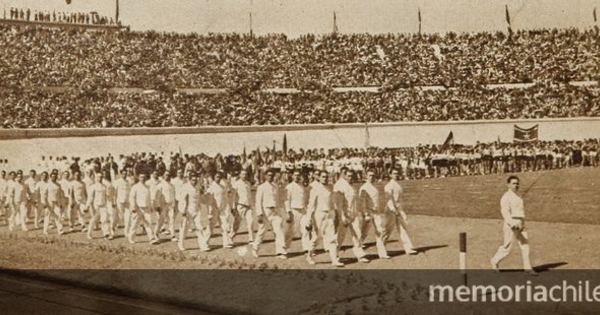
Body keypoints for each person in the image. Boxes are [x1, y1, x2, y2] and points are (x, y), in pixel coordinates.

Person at [491, 175, 537, 276]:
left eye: (517, 183)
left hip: (521, 222)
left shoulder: (518, 196)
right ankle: (494, 261)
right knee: (507, 247)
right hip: (511, 224)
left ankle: (528, 268)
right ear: (508, 185)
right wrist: (512, 223)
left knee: (525, 245)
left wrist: (521, 223)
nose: (516, 185)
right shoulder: (505, 197)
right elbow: (505, 212)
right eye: (513, 183)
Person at [307, 170, 344, 267]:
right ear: (319, 178)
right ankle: (309, 256)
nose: (325, 178)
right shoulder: (315, 189)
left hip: (329, 214)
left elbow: (333, 203)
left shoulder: (330, 188)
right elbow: (311, 205)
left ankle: (334, 260)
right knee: (316, 238)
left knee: (331, 238)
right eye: (323, 177)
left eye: (326, 177)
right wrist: (308, 219)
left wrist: (335, 213)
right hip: (319, 214)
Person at [334, 167, 370, 263]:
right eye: (348, 176)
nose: (350, 178)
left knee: (358, 234)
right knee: (340, 236)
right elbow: (338, 203)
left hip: (354, 214)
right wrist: (342, 216)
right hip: (345, 215)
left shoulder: (352, 187)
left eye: (352, 176)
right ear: (345, 176)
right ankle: (335, 255)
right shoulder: (340, 186)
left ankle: (360, 254)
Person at [178, 172, 217, 252]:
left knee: (199, 228)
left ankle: (203, 246)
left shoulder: (198, 187)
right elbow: (182, 200)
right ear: (189, 179)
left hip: (197, 210)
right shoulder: (185, 187)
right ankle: (180, 243)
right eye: (193, 180)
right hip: (188, 210)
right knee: (184, 228)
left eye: (195, 180)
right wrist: (183, 210)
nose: (194, 181)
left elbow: (201, 198)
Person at [252, 169, 287, 259]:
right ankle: (255, 249)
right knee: (262, 231)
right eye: (269, 175)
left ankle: (280, 251)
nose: (270, 177)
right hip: (266, 211)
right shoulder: (261, 187)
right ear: (265, 176)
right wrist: (259, 214)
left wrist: (280, 210)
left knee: (279, 231)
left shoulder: (275, 186)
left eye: (272, 175)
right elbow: (258, 201)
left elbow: (278, 200)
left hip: (275, 211)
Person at [285, 169, 317, 265]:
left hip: (303, 211)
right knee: (292, 231)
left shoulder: (302, 186)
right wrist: (288, 212)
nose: (297, 177)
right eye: (295, 175)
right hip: (294, 211)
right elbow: (287, 200)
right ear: (292, 176)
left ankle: (306, 249)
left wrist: (307, 211)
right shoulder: (289, 187)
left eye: (298, 175)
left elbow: (305, 200)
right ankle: (284, 249)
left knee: (306, 230)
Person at [384, 168, 418, 255]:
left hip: (398, 208)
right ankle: (381, 246)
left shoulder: (397, 185)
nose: (396, 175)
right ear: (390, 175)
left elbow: (399, 200)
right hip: (391, 209)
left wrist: (400, 210)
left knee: (403, 227)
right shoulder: (388, 186)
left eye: (397, 173)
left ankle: (408, 248)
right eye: (394, 173)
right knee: (388, 229)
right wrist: (393, 210)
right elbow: (389, 199)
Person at [359, 170, 390, 259]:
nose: (371, 177)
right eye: (370, 175)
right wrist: (365, 214)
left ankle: (382, 253)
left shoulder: (374, 187)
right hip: (368, 212)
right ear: (366, 176)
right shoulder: (364, 187)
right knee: (364, 233)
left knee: (380, 231)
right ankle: (358, 247)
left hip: (376, 213)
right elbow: (362, 202)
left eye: (373, 175)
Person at [128, 173, 159, 245]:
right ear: (138, 178)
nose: (143, 179)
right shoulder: (135, 187)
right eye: (141, 177)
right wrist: (133, 207)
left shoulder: (147, 187)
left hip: (146, 208)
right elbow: (132, 197)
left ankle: (151, 238)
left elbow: (150, 198)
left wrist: (151, 206)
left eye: (144, 177)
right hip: (138, 208)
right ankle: (131, 238)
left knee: (149, 223)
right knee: (134, 224)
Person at [86, 172, 113, 240]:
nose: (100, 178)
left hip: (103, 205)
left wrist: (109, 203)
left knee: (105, 219)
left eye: (101, 177)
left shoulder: (104, 186)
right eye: (98, 177)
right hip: (95, 206)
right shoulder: (93, 186)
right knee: (93, 220)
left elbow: (107, 196)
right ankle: (89, 234)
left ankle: (106, 234)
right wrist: (87, 206)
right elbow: (90, 197)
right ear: (96, 178)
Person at [231, 170, 255, 244]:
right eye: (243, 174)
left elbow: (249, 195)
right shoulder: (236, 184)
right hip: (240, 205)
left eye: (245, 174)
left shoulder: (248, 183)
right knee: (237, 223)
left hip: (248, 206)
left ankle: (251, 239)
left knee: (250, 222)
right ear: (240, 175)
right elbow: (233, 196)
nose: (244, 176)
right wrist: (233, 207)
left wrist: (251, 204)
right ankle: (230, 236)